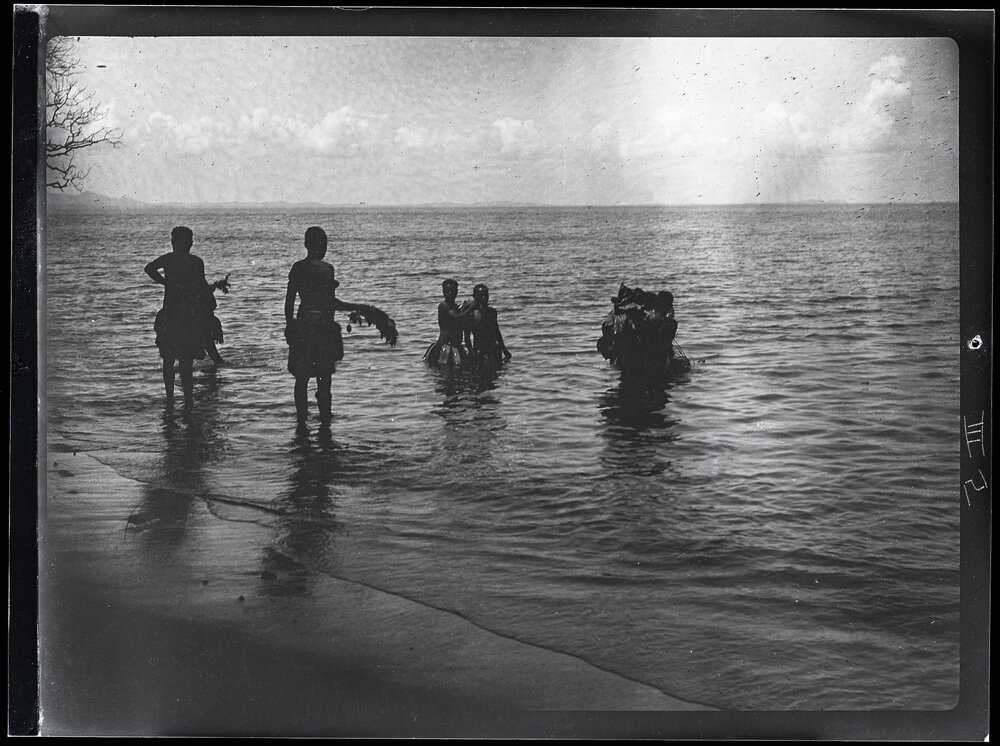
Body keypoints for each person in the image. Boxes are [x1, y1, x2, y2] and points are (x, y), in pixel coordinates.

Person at [284, 226, 372, 423]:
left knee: (302, 379)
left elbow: (289, 303)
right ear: (321, 245)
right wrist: (360, 306)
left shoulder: (298, 268)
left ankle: (301, 422)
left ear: (306, 245)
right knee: (324, 380)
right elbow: (331, 303)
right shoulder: (327, 269)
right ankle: (325, 422)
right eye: (324, 243)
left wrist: (290, 326)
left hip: (303, 326)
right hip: (323, 329)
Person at [145, 226, 229, 407]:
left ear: (173, 243)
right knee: (185, 361)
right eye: (187, 241)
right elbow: (200, 286)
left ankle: (172, 401)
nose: (188, 244)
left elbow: (149, 268)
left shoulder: (171, 259)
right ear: (183, 243)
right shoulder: (194, 262)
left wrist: (166, 282)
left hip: (174, 314)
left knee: (171, 360)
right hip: (184, 316)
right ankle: (187, 402)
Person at [423, 278, 476, 367]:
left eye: (452, 291)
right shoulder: (443, 305)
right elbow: (456, 317)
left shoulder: (456, 307)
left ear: (456, 292)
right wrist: (470, 308)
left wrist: (466, 308)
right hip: (444, 347)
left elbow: (462, 321)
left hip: (457, 347)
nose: (450, 293)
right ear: (443, 292)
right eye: (447, 291)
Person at [464, 283, 512, 369]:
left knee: (493, 377)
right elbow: (467, 337)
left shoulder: (492, 312)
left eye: (486, 295)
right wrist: (472, 353)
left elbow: (497, 332)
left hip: (494, 350)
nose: (484, 298)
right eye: (481, 295)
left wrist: (504, 350)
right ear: (474, 297)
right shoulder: (471, 314)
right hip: (479, 351)